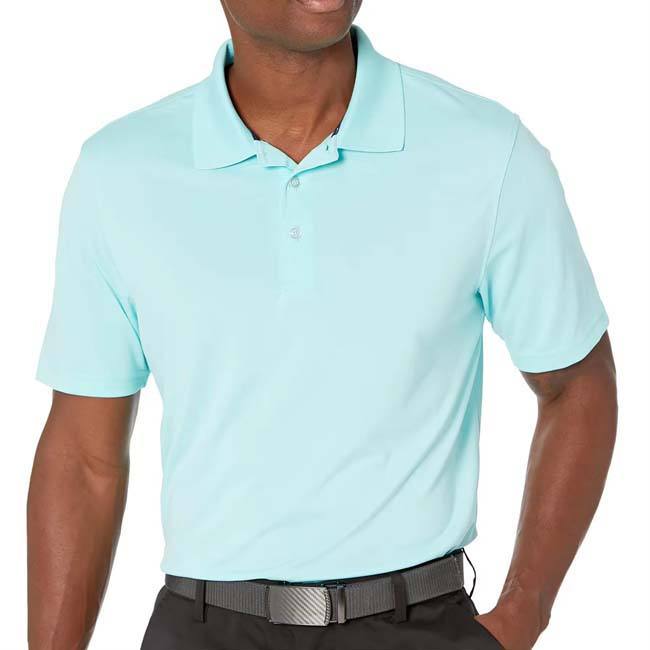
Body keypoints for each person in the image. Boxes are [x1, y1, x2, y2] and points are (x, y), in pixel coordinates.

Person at [27, 1, 617, 649]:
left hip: (417, 626)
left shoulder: (485, 151)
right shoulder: (119, 175)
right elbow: (83, 456)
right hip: (202, 628)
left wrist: (521, 614)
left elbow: (576, 384)